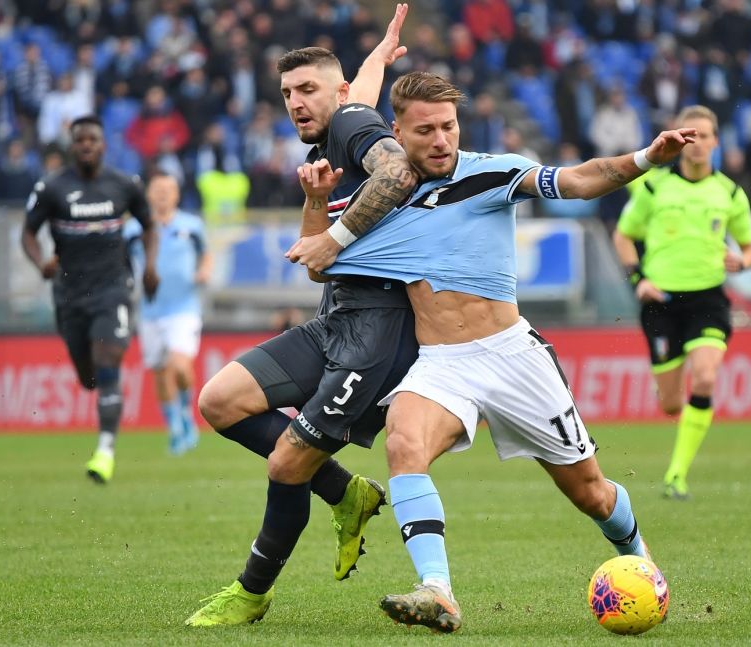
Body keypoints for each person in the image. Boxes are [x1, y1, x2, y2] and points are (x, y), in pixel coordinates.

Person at [290, 71, 695, 633]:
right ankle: (438, 590)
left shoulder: (492, 173)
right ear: (397, 136)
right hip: (441, 364)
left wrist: (646, 158)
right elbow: (318, 260)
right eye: (426, 130)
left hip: (513, 358)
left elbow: (579, 181)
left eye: (449, 127)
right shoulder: (376, 203)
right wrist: (314, 202)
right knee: (405, 445)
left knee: (592, 494)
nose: (441, 140)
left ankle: (642, 561)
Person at [184, 5, 419, 627]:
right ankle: (346, 492)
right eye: (286, 92)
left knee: (289, 462)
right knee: (219, 401)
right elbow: (315, 267)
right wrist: (317, 203)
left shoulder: (350, 124)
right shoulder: (334, 135)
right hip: (333, 318)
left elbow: (397, 170)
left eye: (306, 89)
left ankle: (252, 593)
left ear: (336, 94)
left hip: (377, 335)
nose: (294, 101)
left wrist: (336, 234)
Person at [612, 105, 751, 500]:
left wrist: (742, 261)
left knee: (707, 376)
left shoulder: (729, 192)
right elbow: (623, 236)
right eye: (690, 136)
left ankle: (676, 475)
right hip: (661, 301)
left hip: (708, 298)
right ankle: (676, 424)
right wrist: (638, 280)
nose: (697, 145)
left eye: (705, 136)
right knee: (671, 404)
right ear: (679, 141)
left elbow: (749, 249)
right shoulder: (654, 187)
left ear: (716, 142)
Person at [21, 115, 159, 484]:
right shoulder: (51, 188)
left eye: (93, 140)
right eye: (80, 140)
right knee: (88, 377)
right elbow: (28, 234)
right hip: (69, 294)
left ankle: (105, 451)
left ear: (103, 145)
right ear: (71, 146)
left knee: (108, 359)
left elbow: (149, 226)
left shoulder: (124, 186)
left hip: (112, 289)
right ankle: (101, 415)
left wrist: (150, 267)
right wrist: (41, 263)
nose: (86, 146)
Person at [124, 172, 210, 454]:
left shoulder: (192, 225)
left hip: (183, 308)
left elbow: (206, 254)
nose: (162, 194)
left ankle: (185, 412)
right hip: (149, 310)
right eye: (157, 189)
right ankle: (174, 427)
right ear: (149, 195)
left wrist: (204, 270)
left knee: (180, 366)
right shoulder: (134, 229)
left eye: (168, 189)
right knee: (160, 373)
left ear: (176, 194)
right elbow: (121, 263)